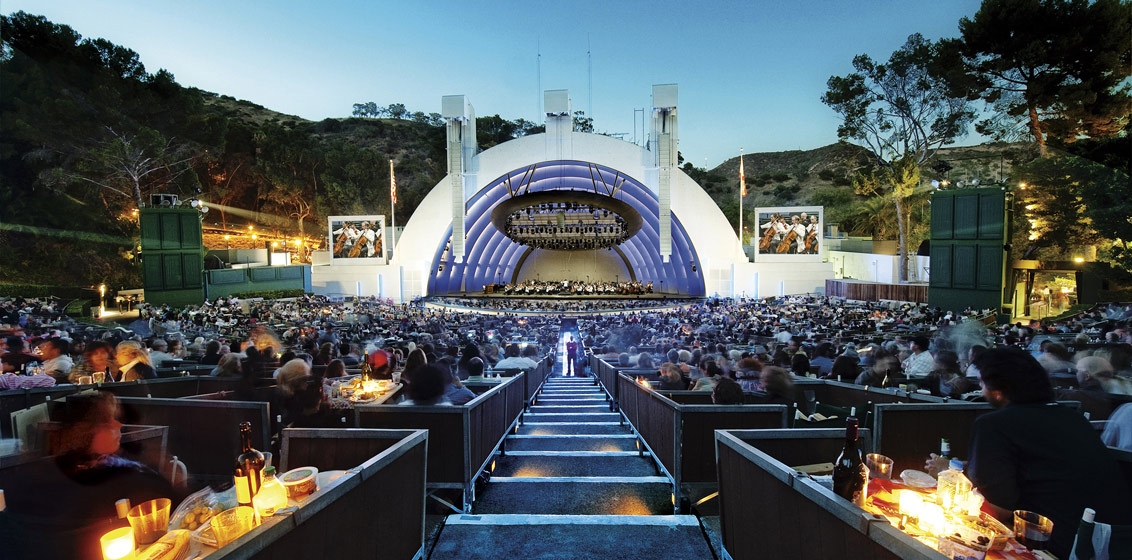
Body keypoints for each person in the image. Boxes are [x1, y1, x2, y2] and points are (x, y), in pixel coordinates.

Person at [966, 347, 1132, 558]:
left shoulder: (993, 425)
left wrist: (951, 477)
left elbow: (996, 510)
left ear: (998, 389)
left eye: (981, 383)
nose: (981, 391)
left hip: (1058, 547)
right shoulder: (1073, 419)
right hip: (1113, 545)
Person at [1, 391, 178, 559]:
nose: (119, 425)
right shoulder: (126, 481)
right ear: (85, 433)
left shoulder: (36, 479)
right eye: (108, 423)